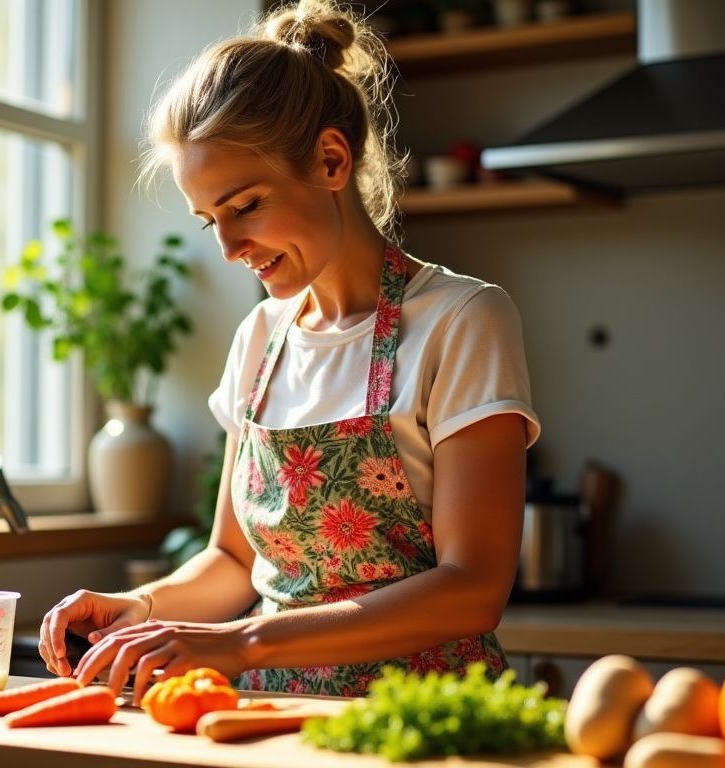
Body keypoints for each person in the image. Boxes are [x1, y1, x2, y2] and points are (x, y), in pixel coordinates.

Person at [38, 0, 539, 702]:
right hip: (271, 720)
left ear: (332, 160)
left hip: (422, 726)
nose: (227, 247)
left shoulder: (461, 319)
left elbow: (472, 589)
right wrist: (141, 610)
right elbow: (232, 560)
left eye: (244, 206)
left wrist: (242, 641)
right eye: (210, 218)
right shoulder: (260, 340)